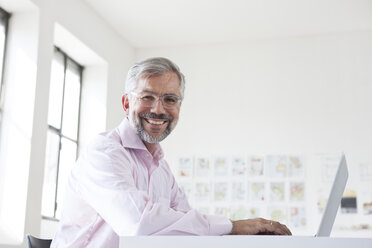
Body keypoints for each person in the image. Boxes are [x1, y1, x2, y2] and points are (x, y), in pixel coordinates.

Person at [51, 57, 291, 248]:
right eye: (147, 97)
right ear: (126, 104)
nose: (158, 109)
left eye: (170, 99)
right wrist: (232, 226)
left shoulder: (161, 169)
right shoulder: (104, 153)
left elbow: (188, 229)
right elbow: (138, 225)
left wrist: (248, 235)